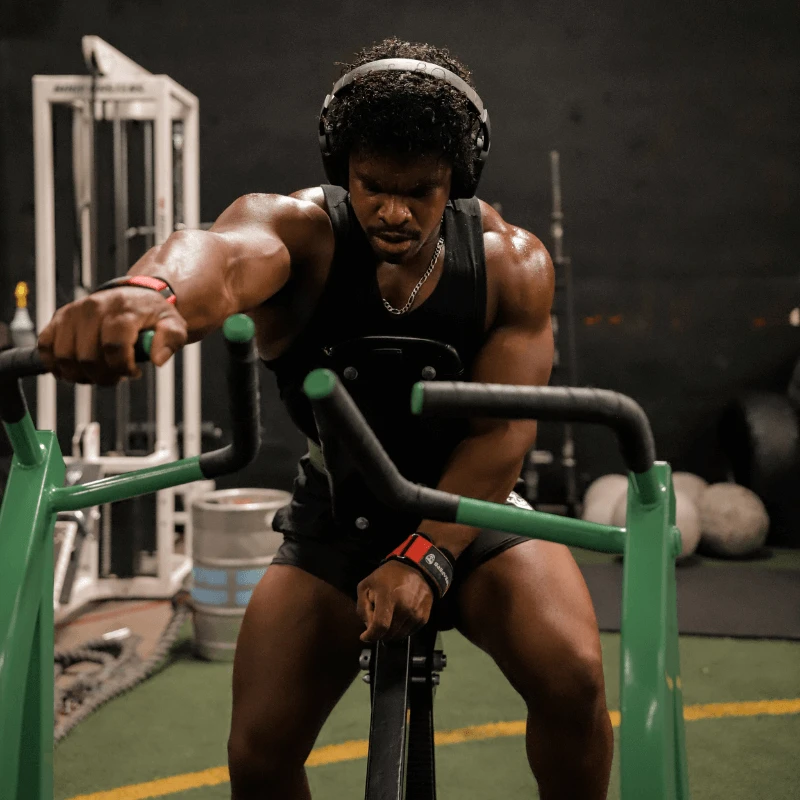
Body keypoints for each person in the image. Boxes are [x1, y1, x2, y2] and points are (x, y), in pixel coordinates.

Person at [38, 37, 613, 800]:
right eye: (373, 186)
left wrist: (424, 556)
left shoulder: (510, 265)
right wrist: (151, 294)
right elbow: (220, 254)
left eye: (422, 191)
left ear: (457, 180)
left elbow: (501, 436)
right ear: (344, 169)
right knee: (259, 751)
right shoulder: (299, 234)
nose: (394, 211)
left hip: (469, 509)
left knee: (574, 680)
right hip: (337, 521)